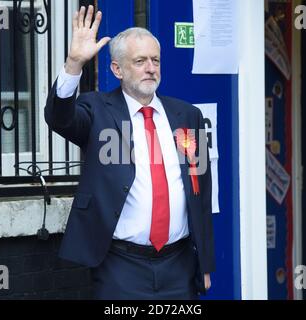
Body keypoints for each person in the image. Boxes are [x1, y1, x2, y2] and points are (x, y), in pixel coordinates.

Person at [44, 5, 215, 300]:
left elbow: (201, 193)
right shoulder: (96, 109)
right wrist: (73, 63)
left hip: (179, 266)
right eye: (140, 61)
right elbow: (59, 118)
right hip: (120, 267)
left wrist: (206, 264)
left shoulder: (188, 116)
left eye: (155, 60)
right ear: (117, 69)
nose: (151, 68)